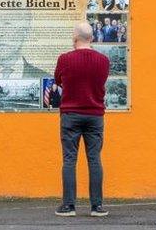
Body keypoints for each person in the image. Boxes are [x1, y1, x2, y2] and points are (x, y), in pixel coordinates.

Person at [53, 22, 110, 217]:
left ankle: (69, 206)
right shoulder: (103, 60)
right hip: (95, 115)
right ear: (92, 38)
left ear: (74, 39)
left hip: (70, 115)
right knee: (94, 159)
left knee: (70, 160)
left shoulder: (65, 59)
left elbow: (58, 80)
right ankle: (97, 206)